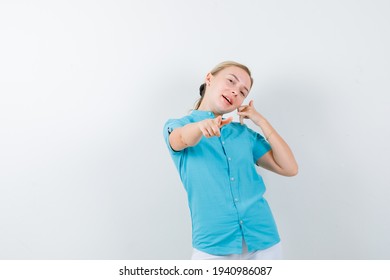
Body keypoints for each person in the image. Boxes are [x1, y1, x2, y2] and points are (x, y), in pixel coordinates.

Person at [163, 61, 298, 260]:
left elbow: (289, 168)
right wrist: (201, 127)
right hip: (213, 245)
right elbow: (180, 139)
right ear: (209, 78)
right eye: (231, 81)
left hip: (264, 241)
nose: (235, 92)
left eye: (243, 92)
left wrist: (260, 121)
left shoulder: (244, 134)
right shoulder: (178, 126)